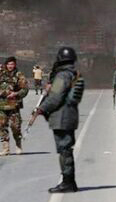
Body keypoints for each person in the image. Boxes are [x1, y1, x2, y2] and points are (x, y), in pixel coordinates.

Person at [36, 47, 82, 194]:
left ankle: (67, 183)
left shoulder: (62, 76)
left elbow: (56, 97)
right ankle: (70, 182)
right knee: (66, 149)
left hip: (62, 117)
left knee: (64, 150)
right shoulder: (75, 74)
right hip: (70, 115)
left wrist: (41, 108)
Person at [0, 56, 28, 156]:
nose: (10, 66)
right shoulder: (1, 75)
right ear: (6, 65)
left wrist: (16, 94)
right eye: (9, 64)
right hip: (1, 105)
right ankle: (5, 148)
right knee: (1, 126)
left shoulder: (19, 75)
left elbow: (25, 89)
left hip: (13, 105)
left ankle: (18, 145)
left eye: (12, 64)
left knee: (15, 127)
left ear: (15, 65)